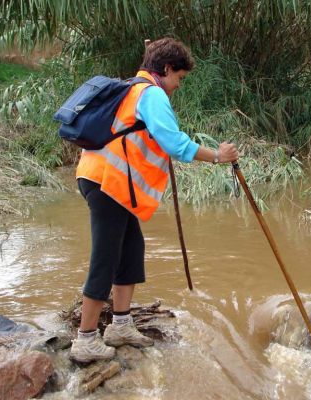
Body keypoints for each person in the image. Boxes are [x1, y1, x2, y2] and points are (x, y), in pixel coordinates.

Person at [70, 38, 239, 363]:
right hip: (106, 183)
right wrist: (218, 156)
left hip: (108, 183)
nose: (178, 85)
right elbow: (174, 143)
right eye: (179, 78)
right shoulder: (151, 93)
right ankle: (85, 339)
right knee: (105, 257)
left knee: (131, 250)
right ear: (166, 69)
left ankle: (120, 325)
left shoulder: (136, 88)